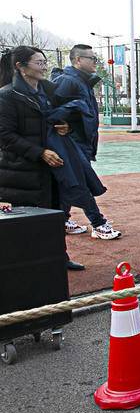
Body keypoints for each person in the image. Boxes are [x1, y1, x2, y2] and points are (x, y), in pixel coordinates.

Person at [0, 46, 85, 270]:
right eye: (39, 63)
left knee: (55, 213)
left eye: (44, 62)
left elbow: (56, 121)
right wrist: (40, 153)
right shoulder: (7, 96)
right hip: (22, 172)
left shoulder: (47, 92)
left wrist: (65, 127)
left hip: (50, 168)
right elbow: (5, 136)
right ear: (21, 67)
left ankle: (58, 258)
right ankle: (27, 266)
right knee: (28, 221)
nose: (44, 67)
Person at [52, 44, 120, 240]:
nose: (95, 62)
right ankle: (98, 223)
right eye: (92, 58)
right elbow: (52, 109)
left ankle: (62, 219)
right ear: (78, 60)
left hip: (81, 141)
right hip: (72, 143)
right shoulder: (67, 81)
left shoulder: (82, 82)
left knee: (70, 183)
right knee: (81, 183)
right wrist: (64, 127)